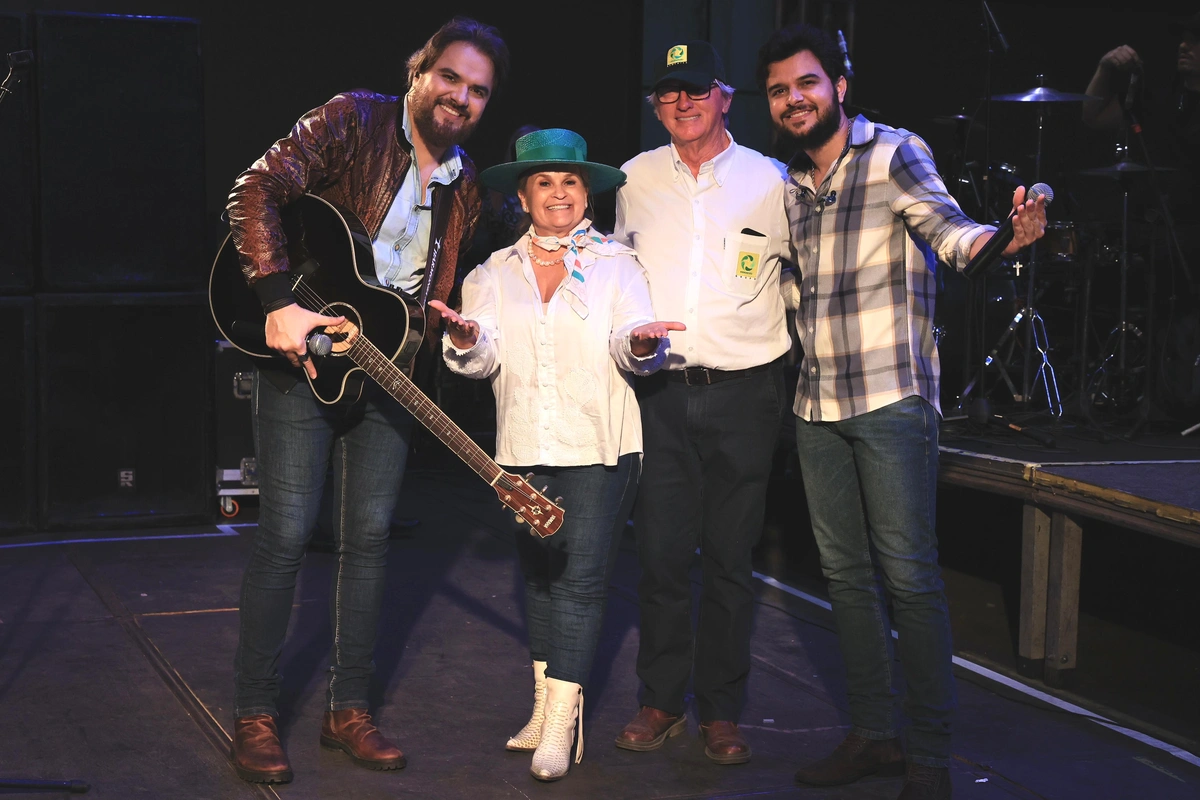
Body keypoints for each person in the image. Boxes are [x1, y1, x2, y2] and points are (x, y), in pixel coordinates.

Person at [756, 24, 1046, 800]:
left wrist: (1005, 240)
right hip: (817, 405)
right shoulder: (790, 184)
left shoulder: (894, 152)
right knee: (847, 579)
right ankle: (876, 735)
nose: (794, 99)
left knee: (910, 579)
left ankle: (929, 754)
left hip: (890, 398)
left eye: (807, 83)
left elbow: (951, 235)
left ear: (840, 85)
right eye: (780, 89)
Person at [223, 16, 508, 784]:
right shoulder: (353, 119)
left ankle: (349, 711)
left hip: (390, 370)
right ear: (418, 70)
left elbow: (427, 294)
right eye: (450, 76)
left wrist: (446, 325)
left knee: (370, 540)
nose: (461, 97)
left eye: (478, 90)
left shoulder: (467, 184)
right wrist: (279, 299)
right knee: (284, 533)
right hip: (305, 356)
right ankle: (254, 713)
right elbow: (255, 189)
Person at [430, 128, 684, 782]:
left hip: (599, 444)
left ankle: (565, 723)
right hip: (523, 443)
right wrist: (463, 334)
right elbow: (480, 354)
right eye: (545, 182)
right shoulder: (493, 272)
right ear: (523, 194)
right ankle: (546, 713)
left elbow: (631, 340)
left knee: (579, 582)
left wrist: (644, 340)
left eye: (570, 181)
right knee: (540, 575)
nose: (559, 193)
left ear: (587, 192)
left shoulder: (617, 265)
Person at [611, 40, 791, 765]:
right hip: (660, 395)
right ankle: (660, 700)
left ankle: (720, 711)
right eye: (667, 94)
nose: (680, 105)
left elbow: (797, 277)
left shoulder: (770, 179)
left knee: (728, 560)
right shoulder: (633, 178)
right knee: (659, 558)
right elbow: (620, 276)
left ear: (723, 96)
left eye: (693, 91)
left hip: (747, 392)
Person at [1081, 12, 1200, 416]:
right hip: (1163, 226)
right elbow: (1094, 116)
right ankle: (1161, 397)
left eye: (1195, 40)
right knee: (1160, 307)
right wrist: (1103, 70)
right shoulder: (1162, 94)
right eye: (1184, 39)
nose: (1185, 46)